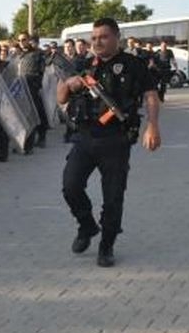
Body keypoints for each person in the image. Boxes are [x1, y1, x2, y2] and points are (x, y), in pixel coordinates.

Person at [58, 18, 161, 267]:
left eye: (103, 37)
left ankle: (107, 245)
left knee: (113, 197)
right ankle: (87, 225)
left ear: (117, 37)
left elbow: (150, 95)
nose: (97, 42)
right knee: (70, 186)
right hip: (84, 137)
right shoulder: (84, 65)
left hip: (115, 140)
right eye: (94, 38)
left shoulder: (133, 64)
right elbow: (60, 96)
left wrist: (152, 125)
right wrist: (69, 84)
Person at [15, 32, 50, 150]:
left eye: (24, 39)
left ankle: (40, 137)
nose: (21, 42)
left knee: (37, 113)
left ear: (29, 40)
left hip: (33, 87)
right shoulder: (18, 54)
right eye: (19, 40)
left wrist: (38, 86)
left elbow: (43, 71)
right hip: (20, 88)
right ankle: (24, 140)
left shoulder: (38, 53)